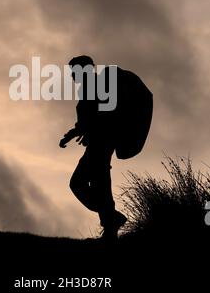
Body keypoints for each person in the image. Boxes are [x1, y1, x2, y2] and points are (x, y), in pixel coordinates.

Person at [60, 55, 152, 240]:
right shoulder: (91, 87)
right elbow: (88, 120)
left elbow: (101, 117)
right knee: (101, 185)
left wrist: (85, 132)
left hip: (101, 145)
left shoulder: (96, 86)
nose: (71, 76)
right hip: (101, 144)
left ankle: (112, 218)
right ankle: (110, 229)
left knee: (78, 183)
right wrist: (72, 134)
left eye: (74, 71)